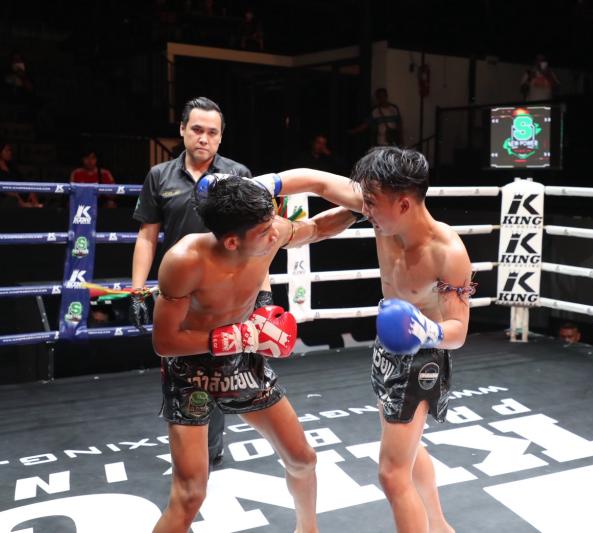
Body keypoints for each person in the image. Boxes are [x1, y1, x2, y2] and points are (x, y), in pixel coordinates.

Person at [274, 146, 471, 532]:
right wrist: (266, 185)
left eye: (372, 204)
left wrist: (424, 330)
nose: (365, 211)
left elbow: (458, 330)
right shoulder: (380, 205)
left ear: (403, 204)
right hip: (387, 349)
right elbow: (316, 181)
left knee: (392, 474)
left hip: (423, 357)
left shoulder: (447, 252)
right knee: (409, 451)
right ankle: (440, 526)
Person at [151, 175, 356, 532]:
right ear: (232, 241)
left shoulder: (270, 230)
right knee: (190, 494)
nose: (275, 234)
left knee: (303, 460)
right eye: (264, 231)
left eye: (272, 223)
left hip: (243, 362)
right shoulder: (185, 260)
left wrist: (362, 209)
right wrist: (241, 336)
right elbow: (166, 342)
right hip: (190, 371)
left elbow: (317, 228)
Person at [131, 97, 252, 468]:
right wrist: (137, 289)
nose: (204, 138)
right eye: (197, 129)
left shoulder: (238, 175)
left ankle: (210, 450)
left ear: (221, 137)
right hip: (179, 293)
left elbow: (254, 237)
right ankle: (190, 449)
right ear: (182, 129)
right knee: (179, 368)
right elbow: (147, 236)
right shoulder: (160, 176)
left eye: (212, 132)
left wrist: (260, 293)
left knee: (221, 370)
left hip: (225, 291)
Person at [0, 141, 42, 208]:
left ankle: (36, 208)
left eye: (10, 150)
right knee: (14, 196)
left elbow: (21, 180)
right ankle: (23, 205)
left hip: (17, 190)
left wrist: (29, 189)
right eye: (7, 150)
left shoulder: (12, 167)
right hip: (4, 194)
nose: (10, 152)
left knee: (31, 193)